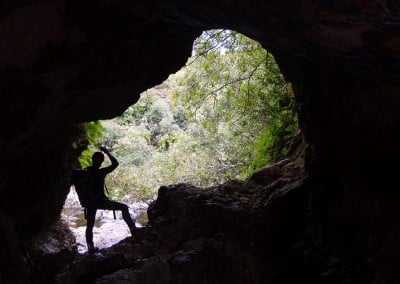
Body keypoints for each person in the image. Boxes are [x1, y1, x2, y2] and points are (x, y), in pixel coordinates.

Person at [85, 146, 137, 253]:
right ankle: (133, 228)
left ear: (92, 159)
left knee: (90, 225)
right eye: (101, 160)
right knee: (124, 207)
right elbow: (115, 164)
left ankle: (90, 247)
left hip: (89, 203)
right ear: (101, 161)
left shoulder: (85, 171)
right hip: (101, 202)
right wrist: (107, 152)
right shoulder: (101, 172)